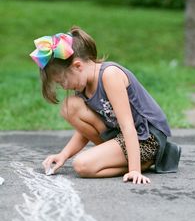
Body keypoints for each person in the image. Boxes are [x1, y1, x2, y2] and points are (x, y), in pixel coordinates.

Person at [30, 26, 181, 185]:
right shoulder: (82, 85)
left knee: (82, 165)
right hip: (121, 136)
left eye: (62, 81)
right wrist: (63, 155)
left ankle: (140, 163)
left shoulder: (109, 75)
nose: (64, 87)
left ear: (77, 66)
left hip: (145, 138)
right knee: (70, 107)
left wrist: (135, 170)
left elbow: (128, 125)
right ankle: (119, 159)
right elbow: (84, 132)